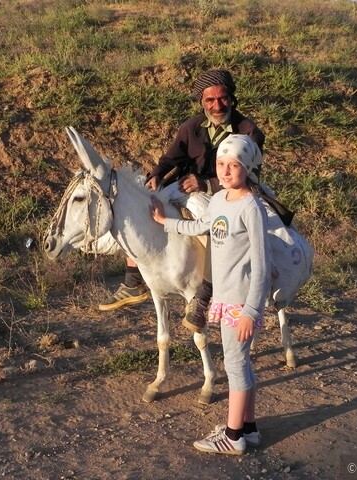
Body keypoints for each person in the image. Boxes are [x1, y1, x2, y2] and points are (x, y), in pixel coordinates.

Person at [98, 69, 266, 322]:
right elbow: (171, 157)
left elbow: (251, 175)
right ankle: (133, 280)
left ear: (232, 98)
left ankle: (205, 291)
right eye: (210, 100)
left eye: (222, 98)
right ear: (202, 101)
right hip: (186, 186)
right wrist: (156, 174)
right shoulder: (192, 127)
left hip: (229, 191)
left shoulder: (249, 131)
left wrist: (206, 183)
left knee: (215, 227)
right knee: (145, 209)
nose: (217, 105)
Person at [151, 134, 272, 454]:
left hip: (242, 300)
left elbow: (262, 265)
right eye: (221, 164)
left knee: (235, 363)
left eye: (234, 165)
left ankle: (233, 438)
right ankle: (249, 429)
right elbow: (201, 227)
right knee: (240, 363)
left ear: (247, 168)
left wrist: (252, 311)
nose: (226, 171)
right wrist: (167, 223)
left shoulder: (251, 207)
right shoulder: (218, 200)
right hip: (224, 296)